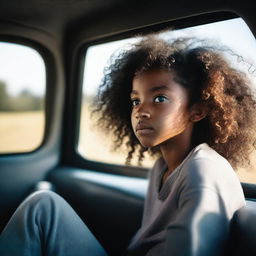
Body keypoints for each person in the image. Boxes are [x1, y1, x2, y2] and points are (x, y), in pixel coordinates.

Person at [0, 34, 256, 256]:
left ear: (197, 110)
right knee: (43, 205)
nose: (141, 111)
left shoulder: (203, 172)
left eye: (159, 98)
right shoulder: (162, 168)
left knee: (41, 206)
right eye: (135, 101)